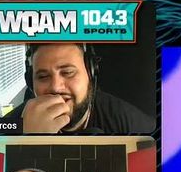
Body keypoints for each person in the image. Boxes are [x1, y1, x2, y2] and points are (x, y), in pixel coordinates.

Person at [9, 43, 154, 134]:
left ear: (90, 74)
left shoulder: (126, 121)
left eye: (67, 72)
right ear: (30, 81)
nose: (55, 87)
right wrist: (27, 142)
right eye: (42, 76)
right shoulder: (13, 124)